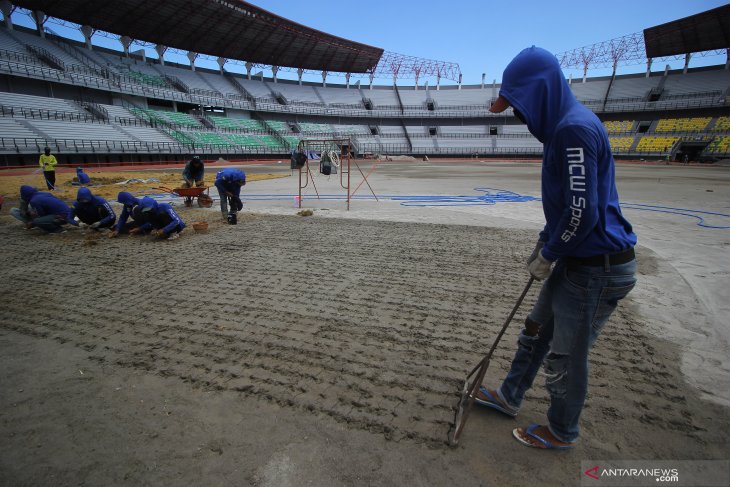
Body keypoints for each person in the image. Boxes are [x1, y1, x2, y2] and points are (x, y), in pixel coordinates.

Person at [476, 46, 637, 450]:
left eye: (517, 105)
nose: (518, 115)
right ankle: (511, 396)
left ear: (538, 93)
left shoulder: (572, 130)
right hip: (575, 256)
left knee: (565, 356)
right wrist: (545, 242)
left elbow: (582, 212)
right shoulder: (563, 127)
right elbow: (570, 207)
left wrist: (550, 253)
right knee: (534, 332)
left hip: (596, 268)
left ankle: (562, 432)